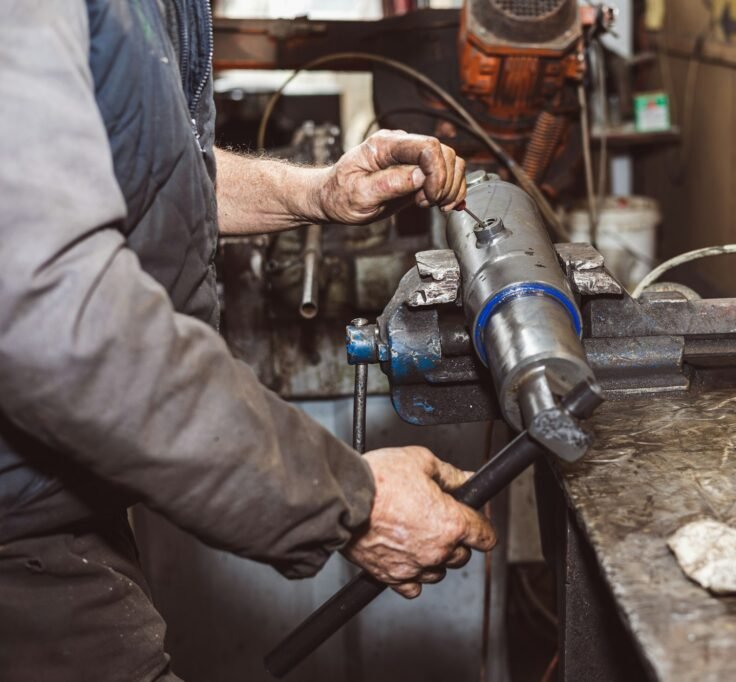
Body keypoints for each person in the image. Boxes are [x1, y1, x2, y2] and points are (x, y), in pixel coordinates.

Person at [0, 1, 496, 680]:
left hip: (59, 496)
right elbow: (60, 317)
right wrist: (350, 501)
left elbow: (139, 169)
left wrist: (314, 192)